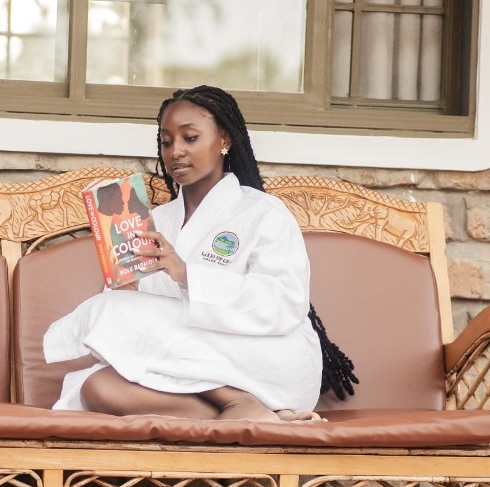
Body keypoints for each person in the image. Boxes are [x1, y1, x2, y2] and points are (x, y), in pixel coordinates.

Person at [44, 85, 340, 422]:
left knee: (111, 310)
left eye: (190, 138)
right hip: (188, 358)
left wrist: (188, 275)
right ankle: (248, 414)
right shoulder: (159, 221)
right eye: (167, 142)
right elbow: (144, 315)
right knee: (95, 388)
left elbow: (284, 302)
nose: (176, 152)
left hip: (264, 357)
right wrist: (132, 285)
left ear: (224, 140)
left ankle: (239, 399)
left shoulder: (263, 212)